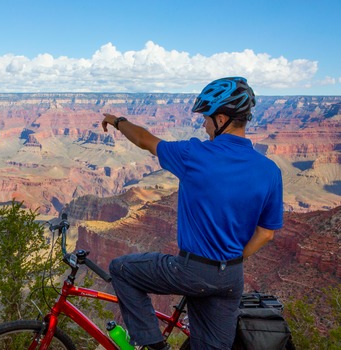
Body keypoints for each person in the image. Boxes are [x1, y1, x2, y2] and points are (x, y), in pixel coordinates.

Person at [101, 77, 283, 350]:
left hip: (192, 271)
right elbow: (266, 233)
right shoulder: (271, 171)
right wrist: (230, 261)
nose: (203, 124)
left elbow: (145, 140)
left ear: (221, 118)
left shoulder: (194, 154)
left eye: (206, 118)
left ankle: (154, 345)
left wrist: (118, 121)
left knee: (121, 269)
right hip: (231, 279)